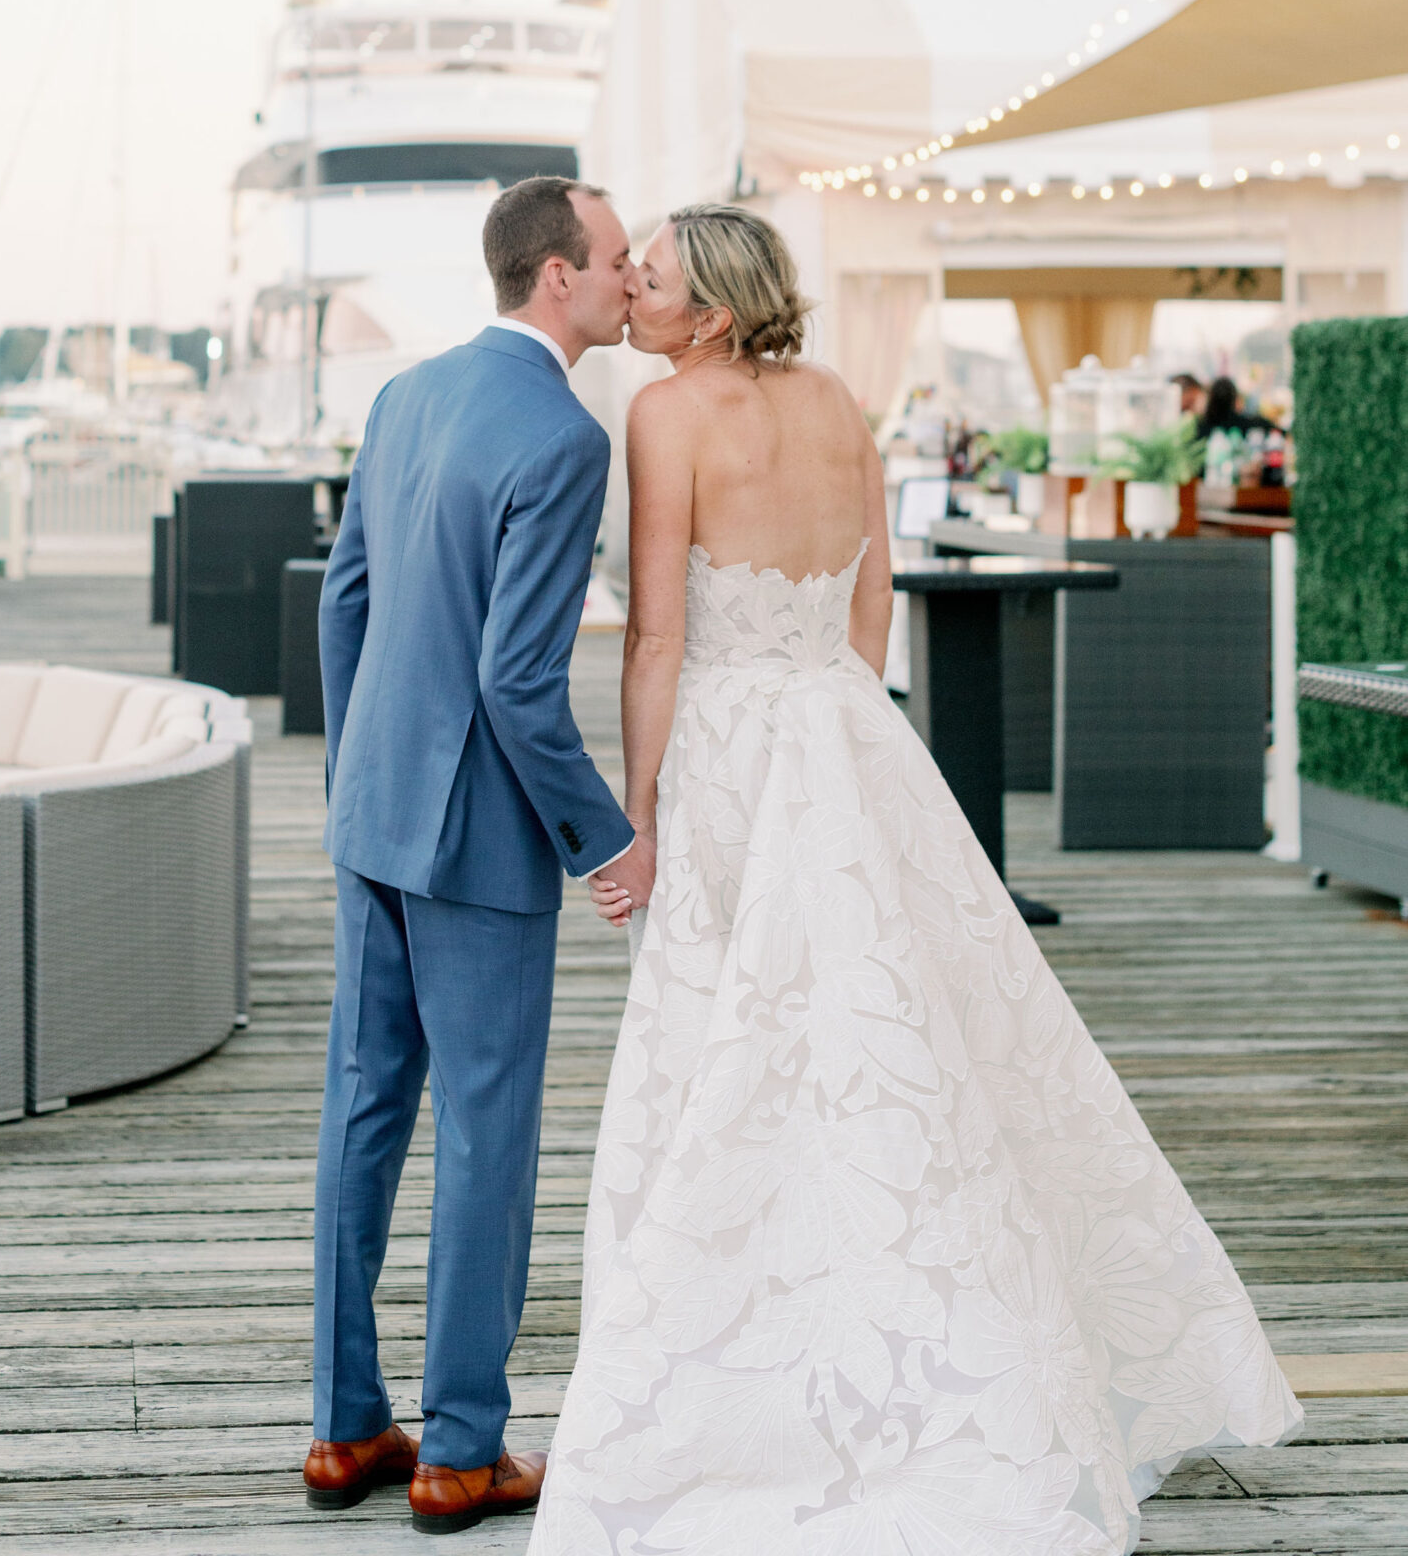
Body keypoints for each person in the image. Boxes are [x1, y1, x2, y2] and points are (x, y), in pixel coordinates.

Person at [531, 201, 1299, 1556]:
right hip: (847, 731)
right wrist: (845, 715)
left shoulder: (665, 417)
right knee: (927, 1039)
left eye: (648, 283)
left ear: (705, 312)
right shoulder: (839, 399)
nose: (631, 300)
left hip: (729, 752)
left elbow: (655, 636)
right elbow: (872, 595)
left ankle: (770, 1393)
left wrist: (634, 814)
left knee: (732, 1046)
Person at [304, 176, 657, 1536]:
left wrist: (358, 791)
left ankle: (344, 1431)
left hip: (373, 814)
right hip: (480, 844)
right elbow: (521, 689)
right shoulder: (565, 439)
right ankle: (459, 1450)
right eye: (619, 260)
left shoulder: (403, 398)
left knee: (363, 1108)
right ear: (558, 277)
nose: (632, 280)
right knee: (488, 1133)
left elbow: (348, 605)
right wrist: (605, 840)